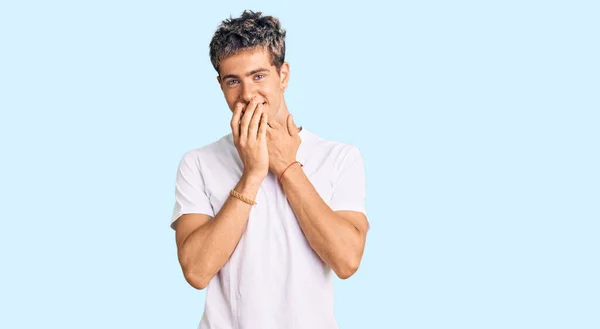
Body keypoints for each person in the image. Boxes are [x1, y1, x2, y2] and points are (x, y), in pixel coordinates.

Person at [170, 10, 369, 329]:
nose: (246, 95)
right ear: (220, 85)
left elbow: (346, 261)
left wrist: (288, 167)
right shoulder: (198, 162)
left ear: (284, 75)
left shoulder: (339, 157)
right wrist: (252, 174)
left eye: (258, 76)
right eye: (233, 81)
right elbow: (196, 271)